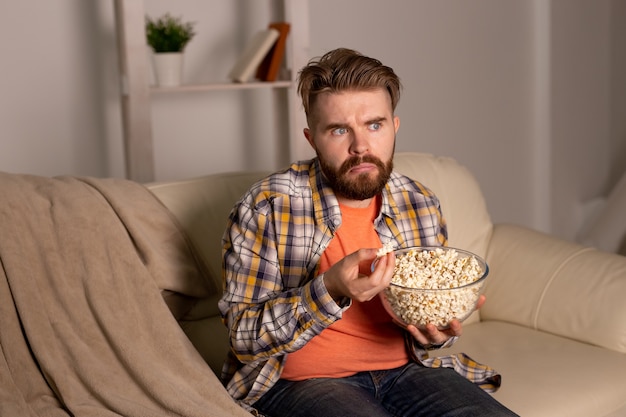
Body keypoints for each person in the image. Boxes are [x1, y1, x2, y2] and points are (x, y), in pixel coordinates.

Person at [218, 48, 518, 417]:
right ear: (312, 139)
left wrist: (439, 330)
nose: (360, 147)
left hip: (410, 371)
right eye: (339, 130)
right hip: (304, 383)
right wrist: (328, 289)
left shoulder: (419, 202)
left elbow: (429, 315)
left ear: (394, 127)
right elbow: (243, 336)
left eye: (374, 125)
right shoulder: (267, 206)